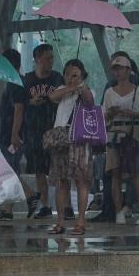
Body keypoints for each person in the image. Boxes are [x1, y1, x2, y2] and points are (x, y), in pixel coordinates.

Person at [90, 51, 139, 223]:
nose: (117, 72)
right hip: (113, 135)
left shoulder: (138, 91)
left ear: (128, 70)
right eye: (115, 69)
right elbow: (102, 115)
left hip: (132, 135)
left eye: (120, 69)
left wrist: (133, 113)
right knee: (115, 174)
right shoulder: (110, 92)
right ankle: (118, 211)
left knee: (135, 174)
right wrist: (110, 113)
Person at [47, 59, 95, 235]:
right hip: (60, 140)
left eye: (74, 74)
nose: (70, 77)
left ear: (82, 74)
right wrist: (71, 87)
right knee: (60, 181)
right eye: (67, 74)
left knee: (81, 180)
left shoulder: (87, 90)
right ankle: (60, 221)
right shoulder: (62, 89)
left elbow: (90, 101)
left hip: (79, 140)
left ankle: (80, 221)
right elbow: (52, 97)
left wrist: (79, 87)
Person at [23, 44, 63, 219]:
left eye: (52, 58)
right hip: (34, 129)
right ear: (38, 59)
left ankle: (64, 205)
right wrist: (31, 102)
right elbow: (21, 103)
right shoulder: (28, 80)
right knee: (40, 169)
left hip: (52, 127)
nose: (51, 61)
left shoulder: (56, 78)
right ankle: (45, 204)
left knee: (57, 167)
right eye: (48, 58)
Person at [0, 49, 31, 220]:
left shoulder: (16, 83)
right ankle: (8, 210)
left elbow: (19, 109)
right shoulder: (14, 82)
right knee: (10, 170)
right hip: (8, 134)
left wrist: (15, 134)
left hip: (11, 135)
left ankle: (30, 196)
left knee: (8, 171)